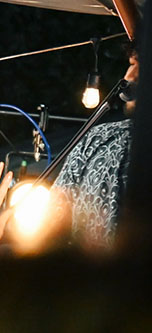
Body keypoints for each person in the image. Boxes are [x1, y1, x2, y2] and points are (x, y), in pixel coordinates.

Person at [47, 49, 139, 250]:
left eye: (145, 65)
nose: (130, 77)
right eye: (132, 64)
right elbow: (48, 225)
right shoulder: (98, 137)